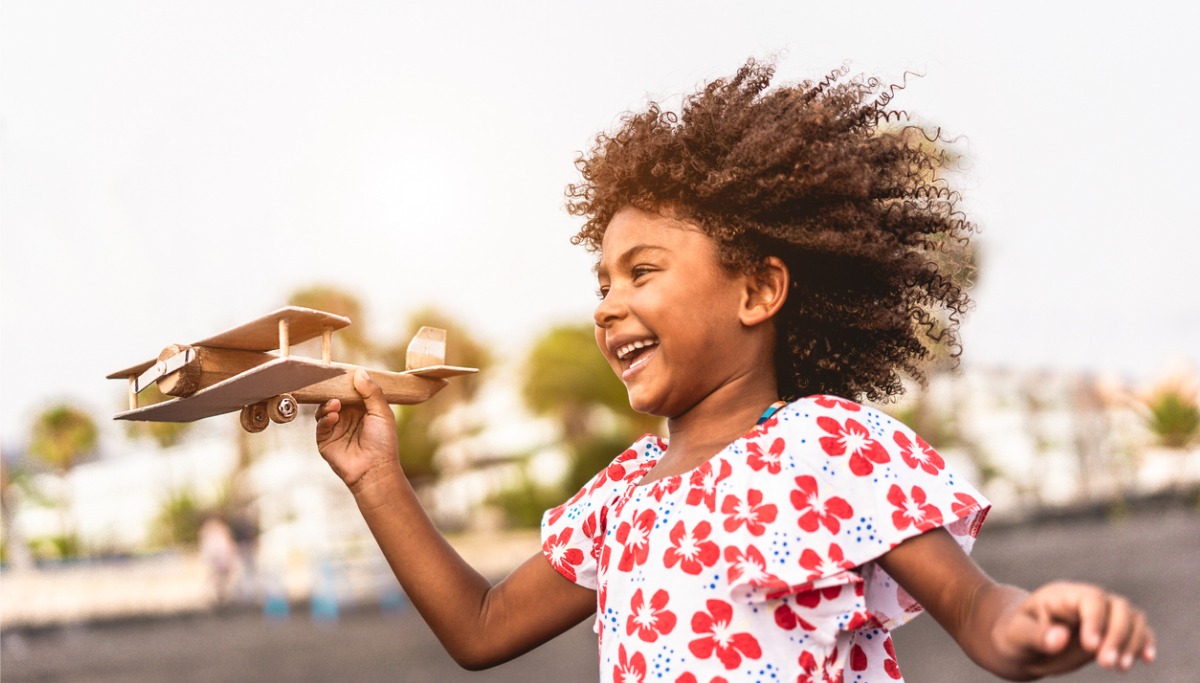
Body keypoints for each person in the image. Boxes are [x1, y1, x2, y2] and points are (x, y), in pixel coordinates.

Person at [315, 59, 1155, 681]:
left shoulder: (828, 446)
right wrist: (377, 479)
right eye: (602, 282)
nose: (607, 305)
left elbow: (974, 608)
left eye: (643, 273)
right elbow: (482, 625)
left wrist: (1033, 623)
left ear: (758, 288)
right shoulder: (620, 496)